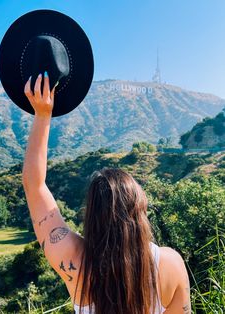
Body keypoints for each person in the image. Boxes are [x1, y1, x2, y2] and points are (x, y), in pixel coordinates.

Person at [22, 72, 191, 314]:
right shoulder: (170, 264)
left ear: (91, 213)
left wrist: (43, 114)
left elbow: (34, 185)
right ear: (140, 210)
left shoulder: (74, 259)